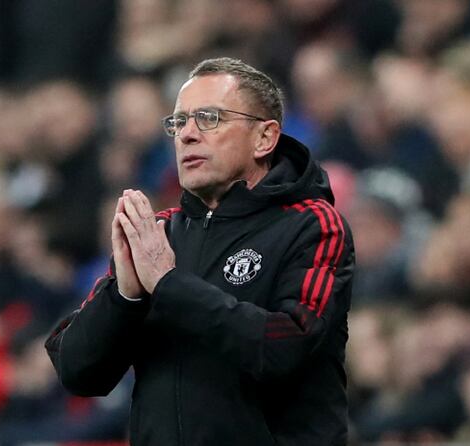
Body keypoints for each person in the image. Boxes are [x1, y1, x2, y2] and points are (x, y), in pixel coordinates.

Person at [46, 57, 355, 445]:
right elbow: (77, 372)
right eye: (179, 123)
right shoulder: (160, 234)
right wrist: (125, 296)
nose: (187, 135)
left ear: (264, 137)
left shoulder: (312, 224)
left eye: (210, 118)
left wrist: (169, 284)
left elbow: (286, 347)